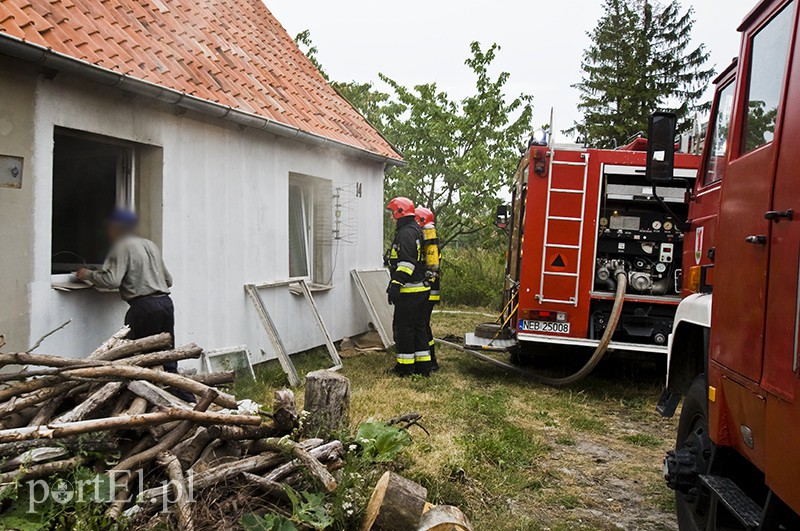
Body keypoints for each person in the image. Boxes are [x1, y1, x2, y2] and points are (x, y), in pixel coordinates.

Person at [76, 208, 193, 401]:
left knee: (137, 357)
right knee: (166, 356)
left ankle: (141, 402)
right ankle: (185, 400)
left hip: (143, 307)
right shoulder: (150, 245)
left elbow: (112, 281)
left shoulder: (121, 247)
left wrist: (86, 274)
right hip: (165, 304)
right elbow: (168, 280)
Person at [385, 197, 432, 377]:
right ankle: (423, 367)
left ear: (399, 212)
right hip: (421, 290)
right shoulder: (416, 230)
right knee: (419, 328)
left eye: (392, 213)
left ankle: (405, 368)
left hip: (410, 291)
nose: (391, 218)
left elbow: (407, 264)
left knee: (404, 328)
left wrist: (396, 284)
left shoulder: (405, 233)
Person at [415, 207, 441, 372]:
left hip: (428, 291)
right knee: (424, 325)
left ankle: (430, 362)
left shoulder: (428, 237)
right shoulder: (430, 238)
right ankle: (431, 359)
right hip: (432, 290)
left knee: (422, 325)